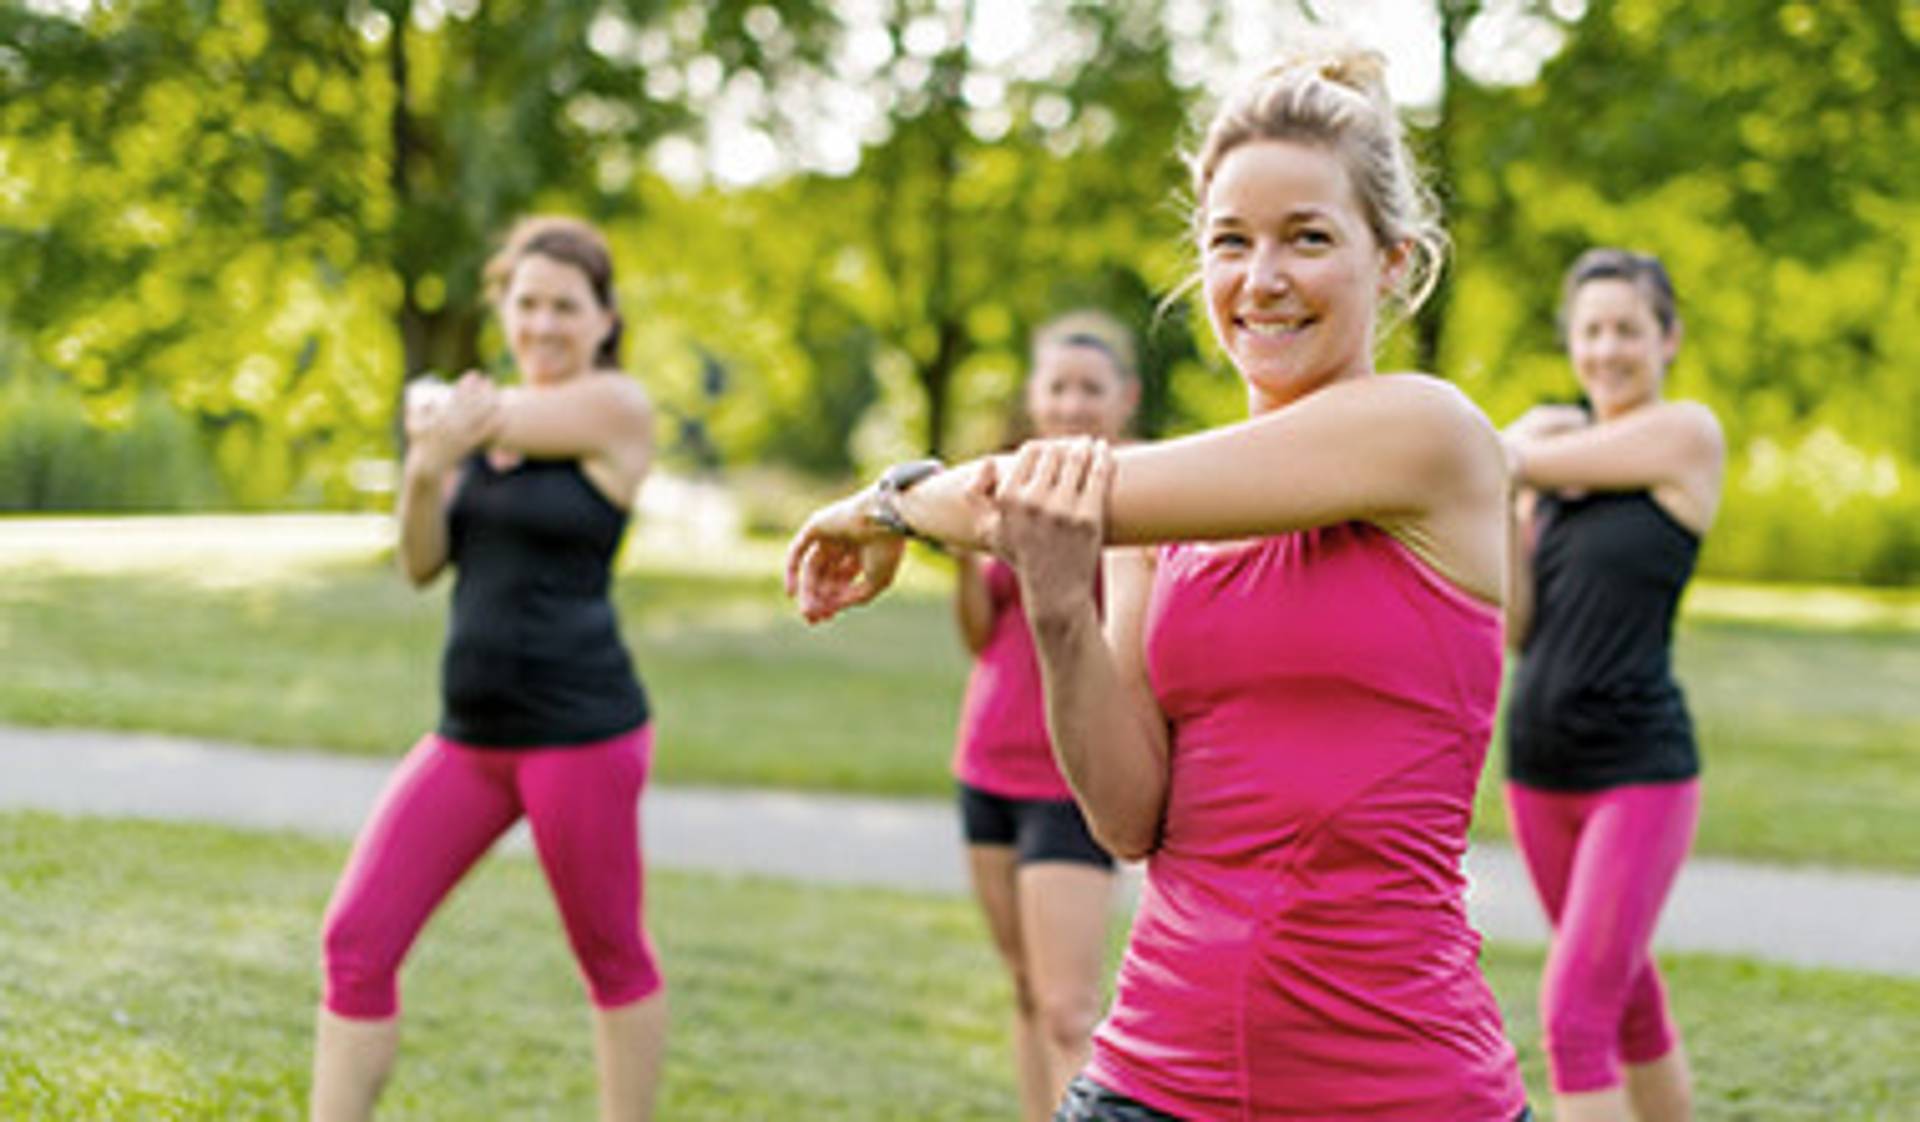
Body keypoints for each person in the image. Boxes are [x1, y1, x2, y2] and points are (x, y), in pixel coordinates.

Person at [786, 44, 1531, 1121]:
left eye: (1308, 238)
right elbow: (1131, 819)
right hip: (1154, 1082)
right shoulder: (1150, 525)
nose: (1262, 279)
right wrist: (1056, 615)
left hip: (1402, 1089)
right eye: (1231, 242)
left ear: (1394, 263)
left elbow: (1006, 495)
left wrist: (885, 502)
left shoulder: (1429, 438)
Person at [310, 216, 663, 1122]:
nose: (543, 324)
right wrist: (426, 471)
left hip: (581, 735)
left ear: (602, 319)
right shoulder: (474, 428)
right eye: (526, 303)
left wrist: (438, 420)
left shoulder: (615, 407)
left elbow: (469, 413)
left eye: (565, 307)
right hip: (469, 738)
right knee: (356, 941)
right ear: (503, 309)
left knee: (611, 958)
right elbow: (421, 563)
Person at [1500, 248, 1724, 1122]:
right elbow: (1520, 626)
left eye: (1628, 329)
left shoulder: (1686, 436)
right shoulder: (1549, 475)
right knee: (1626, 997)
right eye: (1590, 331)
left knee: (1572, 1014)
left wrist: (1517, 444)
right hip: (1538, 768)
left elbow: (1506, 453)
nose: (1607, 349)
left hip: (1639, 770)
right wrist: (1514, 491)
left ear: (1667, 339)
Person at [951, 312, 1137, 1122]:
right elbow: (978, 634)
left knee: (1069, 1008)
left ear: (1123, 399)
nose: (1071, 403)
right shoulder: (1006, 487)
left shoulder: (1144, 493)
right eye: (1057, 387)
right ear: (1033, 396)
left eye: (1090, 389)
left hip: (1074, 780)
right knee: (1027, 991)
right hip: (985, 763)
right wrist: (967, 556)